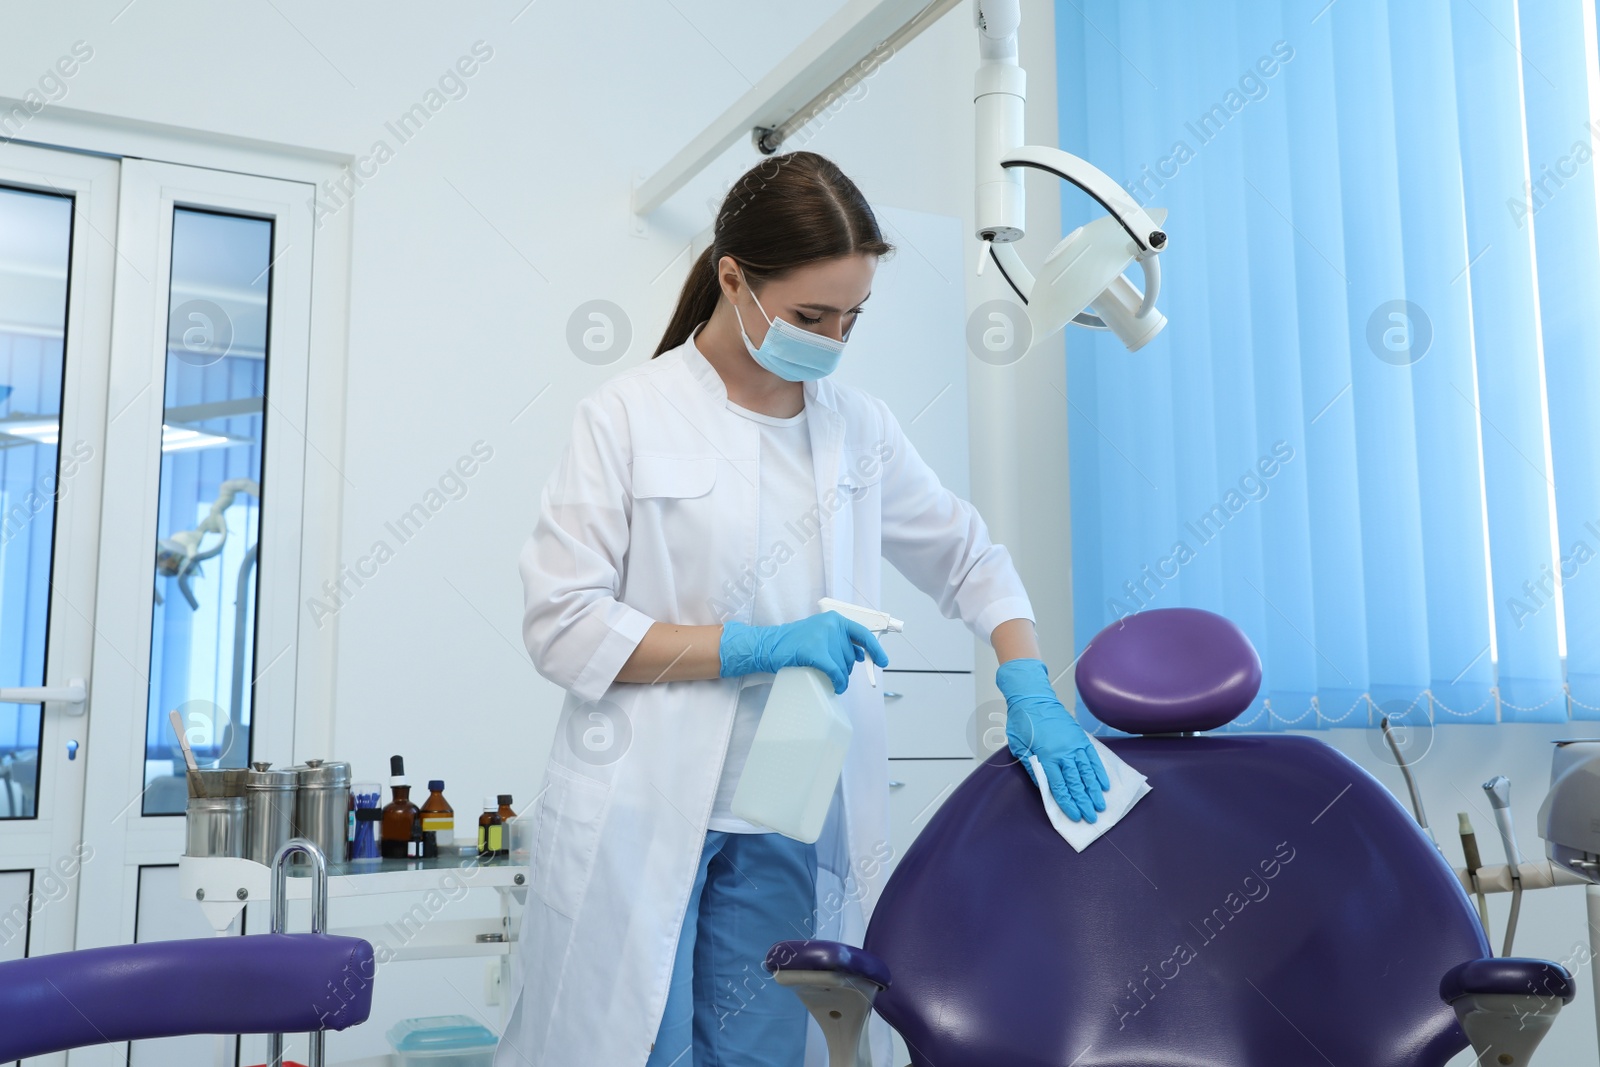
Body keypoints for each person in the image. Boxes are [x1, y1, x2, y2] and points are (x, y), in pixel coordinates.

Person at [498, 151, 1109, 1067]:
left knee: (761, 1057)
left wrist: (1028, 680)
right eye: (811, 315)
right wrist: (753, 645)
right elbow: (562, 624)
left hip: (784, 809)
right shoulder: (626, 417)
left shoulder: (858, 428)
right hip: (643, 800)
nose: (832, 339)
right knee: (634, 1046)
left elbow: (971, 558)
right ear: (733, 277)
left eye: (852, 318)